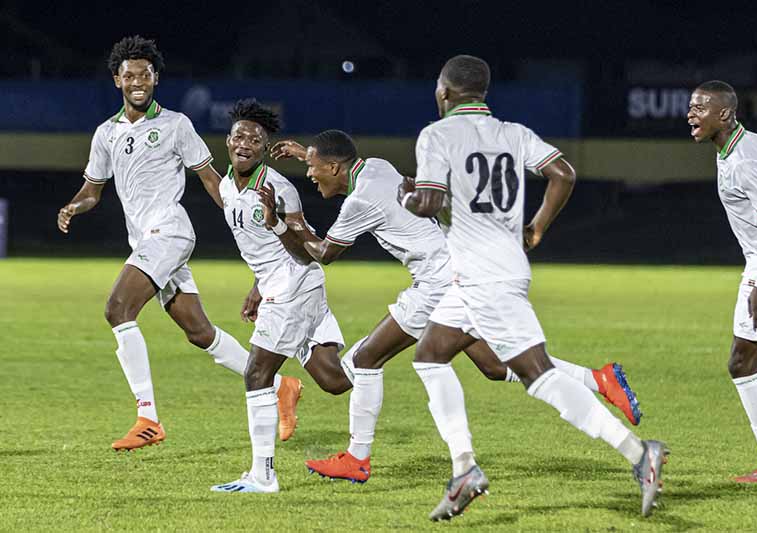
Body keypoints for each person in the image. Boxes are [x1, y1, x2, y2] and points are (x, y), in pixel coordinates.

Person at [267, 130, 642, 484]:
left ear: (334, 167)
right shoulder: (377, 165)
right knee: (495, 366)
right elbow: (382, 178)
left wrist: (285, 223)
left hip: (435, 283)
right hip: (460, 270)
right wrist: (308, 154)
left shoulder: (359, 202)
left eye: (313, 169)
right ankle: (599, 379)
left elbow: (322, 254)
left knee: (362, 362)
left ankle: (357, 458)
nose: (310, 176)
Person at [398, 55, 669, 520]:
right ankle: (464, 468)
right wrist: (537, 226)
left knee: (538, 376)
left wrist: (406, 194)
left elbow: (429, 202)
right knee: (430, 353)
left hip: (486, 276)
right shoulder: (514, 133)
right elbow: (563, 173)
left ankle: (639, 452)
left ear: (443, 92)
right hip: (488, 270)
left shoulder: (436, 134)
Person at [56, 37, 301, 451]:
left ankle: (147, 418)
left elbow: (209, 178)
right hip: (145, 242)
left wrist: (244, 223)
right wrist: (72, 207)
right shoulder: (106, 133)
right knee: (199, 332)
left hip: (169, 231)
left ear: (155, 79)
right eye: (129, 75)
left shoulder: (175, 124)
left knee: (118, 309)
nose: (138, 81)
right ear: (117, 80)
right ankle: (281, 386)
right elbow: (92, 189)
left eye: (145, 74)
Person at [210, 99, 353, 494]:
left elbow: (304, 247)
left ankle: (263, 475)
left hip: (293, 288)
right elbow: (260, 252)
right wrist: (257, 287)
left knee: (257, 374)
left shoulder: (278, 188)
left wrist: (274, 221)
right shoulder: (226, 186)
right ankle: (373, 361)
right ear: (228, 141)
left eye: (255, 139)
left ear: (263, 147)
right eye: (240, 136)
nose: (245, 143)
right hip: (283, 287)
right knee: (335, 380)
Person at [688, 80, 757, 482]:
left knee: (742, 364)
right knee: (754, 360)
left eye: (700, 108)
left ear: (725, 113)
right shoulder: (746, 143)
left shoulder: (743, 160)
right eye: (691, 107)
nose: (690, 115)